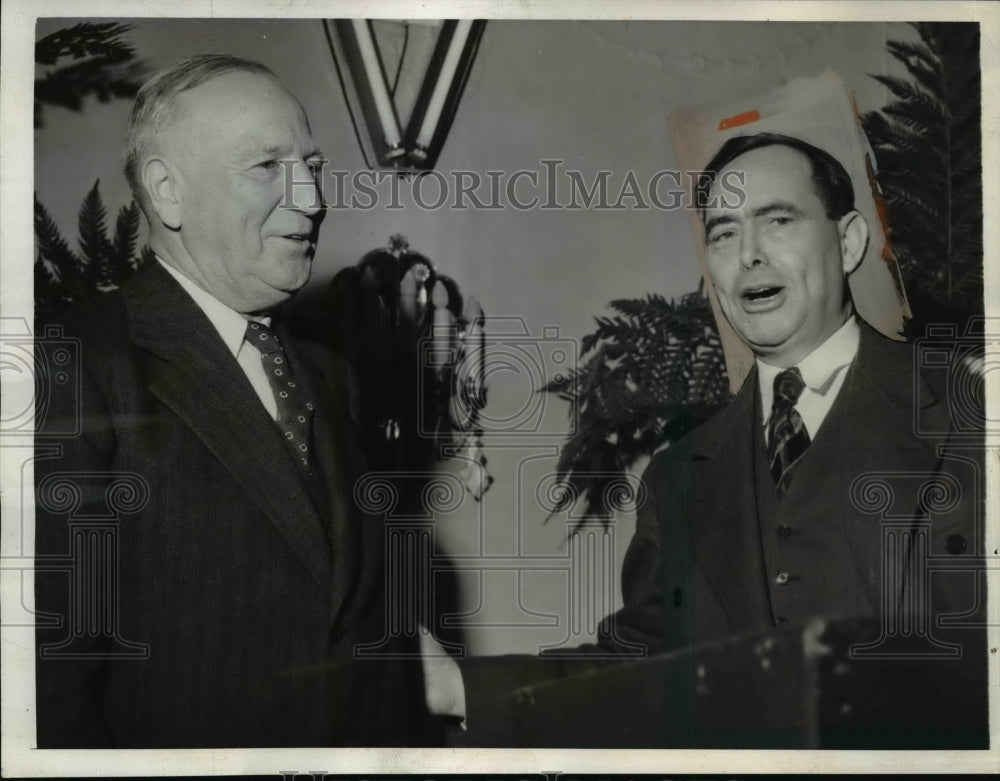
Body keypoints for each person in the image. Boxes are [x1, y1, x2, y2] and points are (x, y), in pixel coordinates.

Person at [428, 132, 986, 745]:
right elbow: (644, 667)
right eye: (723, 233)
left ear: (848, 241)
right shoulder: (677, 475)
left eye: (778, 221)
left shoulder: (970, 413)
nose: (748, 254)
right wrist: (459, 685)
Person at [34, 54, 433, 748]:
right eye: (267, 167)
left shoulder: (329, 378)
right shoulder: (76, 362)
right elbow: (48, 693)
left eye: (313, 165)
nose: (311, 198)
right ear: (167, 192)